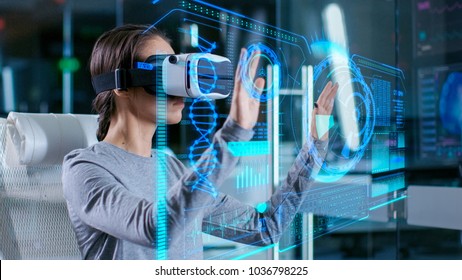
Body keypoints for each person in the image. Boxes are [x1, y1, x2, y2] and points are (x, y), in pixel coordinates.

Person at [62, 24, 338, 260]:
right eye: (166, 72)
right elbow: (154, 230)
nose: (182, 87)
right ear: (121, 85)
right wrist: (234, 133)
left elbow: (265, 228)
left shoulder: (170, 168)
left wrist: (315, 146)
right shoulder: (85, 169)